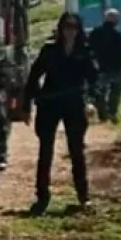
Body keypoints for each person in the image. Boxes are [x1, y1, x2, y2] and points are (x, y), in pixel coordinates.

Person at [23, 12, 99, 216]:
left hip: (74, 105)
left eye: (74, 27)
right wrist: (31, 100)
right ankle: (42, 197)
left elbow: (94, 79)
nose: (70, 31)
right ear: (60, 28)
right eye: (66, 26)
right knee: (45, 152)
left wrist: (92, 101)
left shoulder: (85, 51)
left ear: (79, 30)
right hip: (49, 104)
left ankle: (84, 197)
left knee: (76, 151)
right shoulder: (49, 50)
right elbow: (34, 76)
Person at [87, 8, 121, 124]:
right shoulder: (117, 34)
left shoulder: (95, 32)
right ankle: (112, 113)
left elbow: (89, 49)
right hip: (115, 68)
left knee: (100, 92)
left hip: (99, 68)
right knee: (115, 92)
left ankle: (102, 114)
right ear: (116, 20)